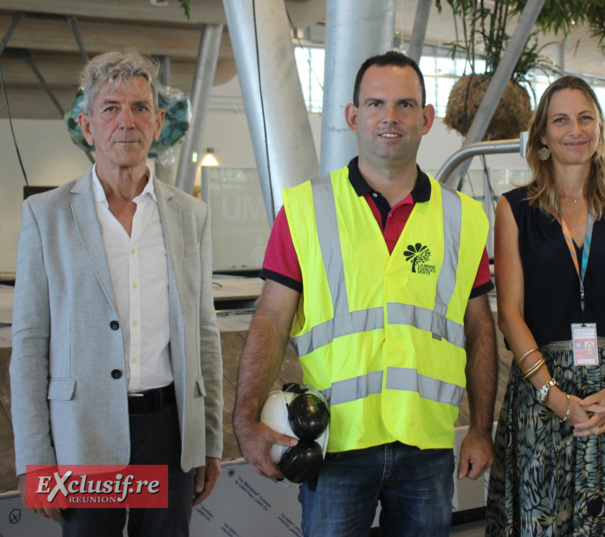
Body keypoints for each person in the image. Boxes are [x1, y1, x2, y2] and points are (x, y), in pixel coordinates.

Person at [232, 51, 497, 536]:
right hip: (333, 444)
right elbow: (270, 320)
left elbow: (480, 328)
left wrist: (481, 429)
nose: (389, 118)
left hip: (427, 445)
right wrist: (246, 420)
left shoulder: (463, 218)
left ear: (427, 118)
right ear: (353, 117)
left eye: (405, 105)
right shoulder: (306, 209)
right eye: (375, 104)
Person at [10, 50, 223, 536]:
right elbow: (29, 345)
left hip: (168, 433)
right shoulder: (47, 216)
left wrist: (208, 440)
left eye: (139, 107)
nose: (126, 121)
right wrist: (35, 459)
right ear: (87, 126)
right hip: (82, 435)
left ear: (158, 122)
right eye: (110, 108)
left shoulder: (191, 216)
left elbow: (204, 337)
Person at [486, 75, 605, 535]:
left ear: (600, 128)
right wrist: (553, 396)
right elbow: (510, 312)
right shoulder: (514, 210)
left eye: (586, 118)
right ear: (542, 134)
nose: (575, 129)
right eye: (560, 120)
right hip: (544, 390)